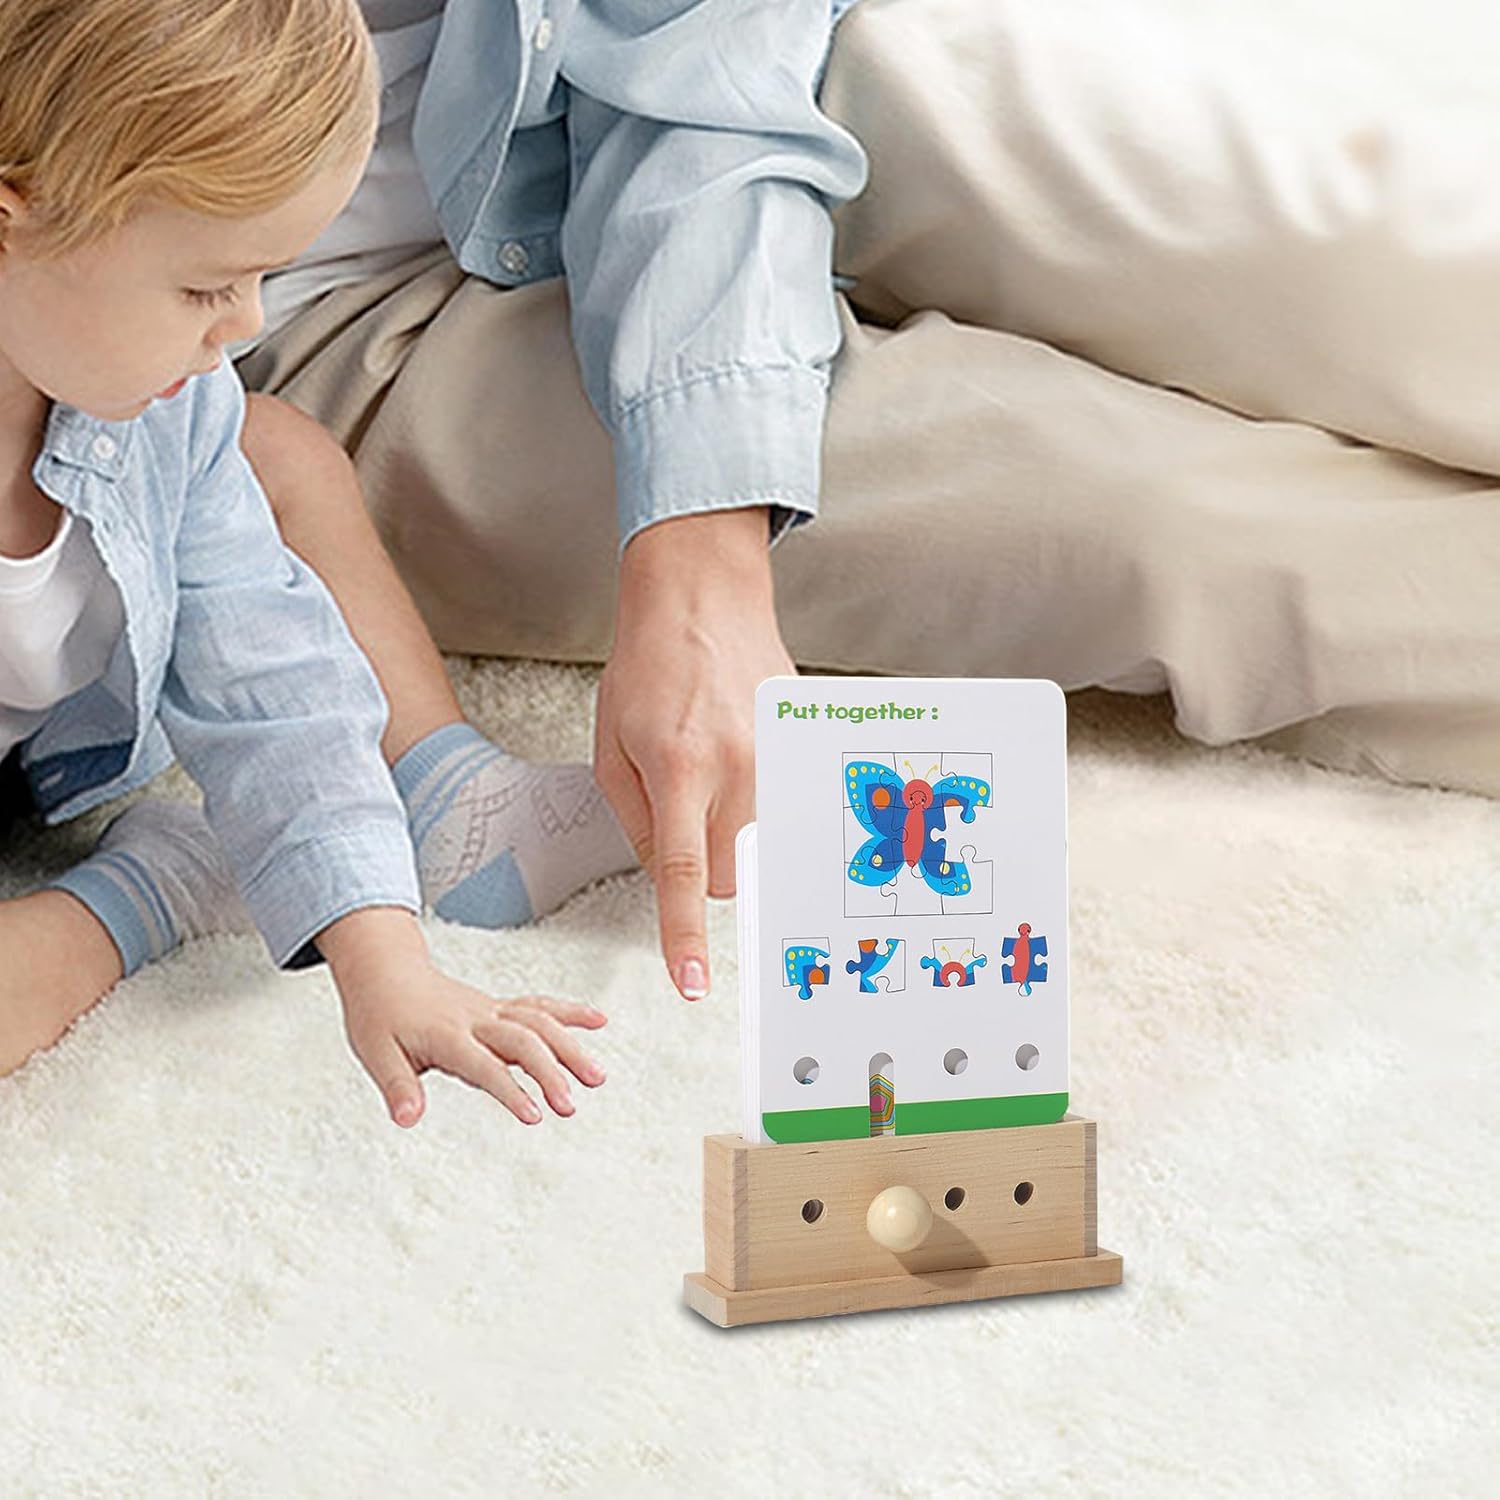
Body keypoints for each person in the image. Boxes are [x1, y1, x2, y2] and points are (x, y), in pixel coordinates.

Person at [233, 0, 1500, 1036]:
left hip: (707, 41)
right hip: (302, 303)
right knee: (1173, 539)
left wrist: (703, 539)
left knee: (1383, 261)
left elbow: (694, 42)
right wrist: (700, 541)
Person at [0, 0, 611, 1129]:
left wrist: (385, 957)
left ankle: (443, 791)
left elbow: (272, 672)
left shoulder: (174, 407)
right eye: (205, 288)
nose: (243, 326)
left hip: (61, 727)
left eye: (262, 279)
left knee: (275, 448)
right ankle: (158, 883)